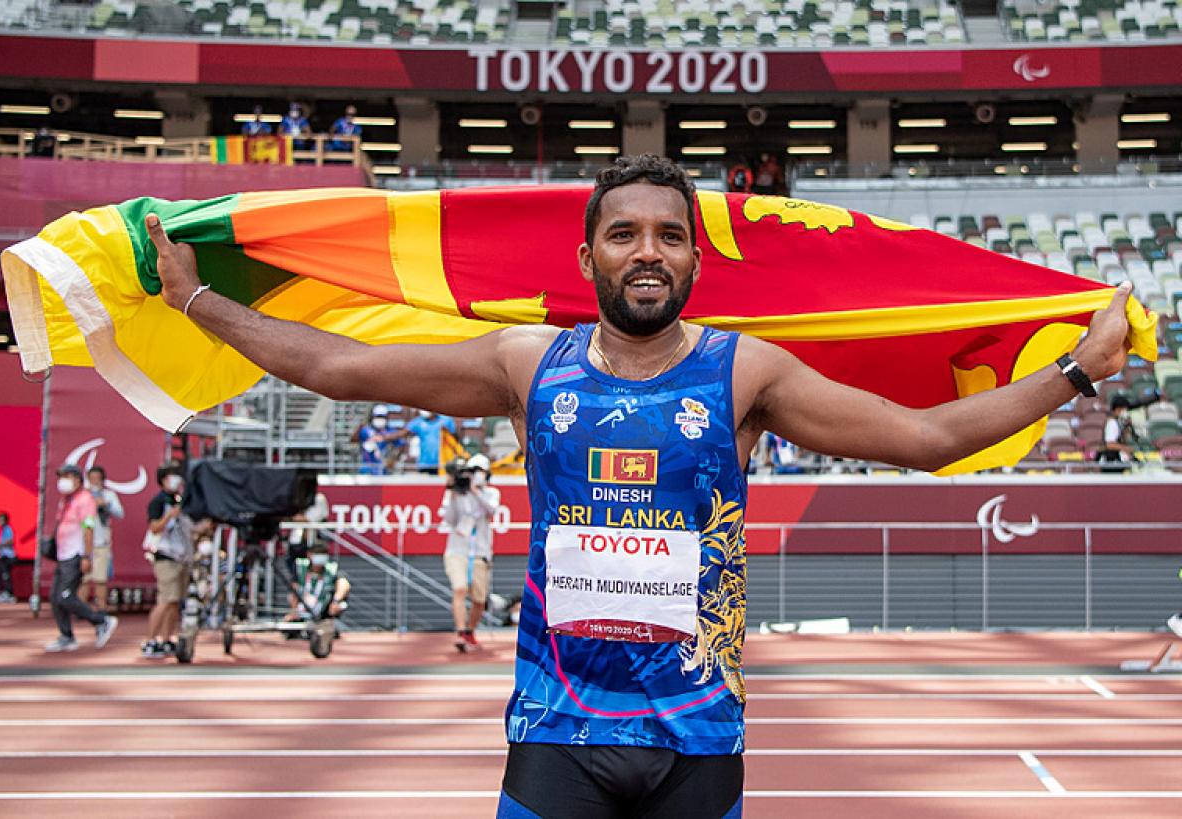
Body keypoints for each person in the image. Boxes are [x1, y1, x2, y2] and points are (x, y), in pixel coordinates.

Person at [145, 153, 1133, 818]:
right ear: (588, 257)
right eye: (625, 235)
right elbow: (340, 368)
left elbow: (924, 437)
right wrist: (195, 298)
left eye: (668, 234)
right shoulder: (530, 364)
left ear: (697, 258)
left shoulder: (749, 373)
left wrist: (1079, 370)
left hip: (699, 739)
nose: (647, 251)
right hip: (557, 729)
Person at [45, 464, 119, 652]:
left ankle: (101, 620)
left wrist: (86, 556)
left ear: (77, 479)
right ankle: (66, 636)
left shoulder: (85, 500)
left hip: (76, 555)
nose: (62, 480)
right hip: (63, 554)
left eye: (66, 476)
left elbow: (88, 528)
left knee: (66, 596)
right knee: (55, 597)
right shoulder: (67, 500)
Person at [440, 454, 501, 652]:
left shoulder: (491, 493)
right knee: (459, 588)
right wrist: (452, 494)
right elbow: (449, 519)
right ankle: (460, 632)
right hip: (457, 549)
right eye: (472, 471)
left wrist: (475, 491)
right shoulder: (457, 493)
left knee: (479, 599)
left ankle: (470, 630)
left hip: (480, 551)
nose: (474, 476)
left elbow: (491, 510)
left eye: (479, 472)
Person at [141, 462, 193, 658]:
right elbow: (154, 527)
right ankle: (150, 640)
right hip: (165, 557)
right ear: (164, 480)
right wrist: (169, 516)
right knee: (164, 600)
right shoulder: (159, 502)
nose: (177, 480)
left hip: (181, 557)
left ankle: (167, 638)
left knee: (174, 602)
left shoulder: (178, 500)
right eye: (173, 476)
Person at [81, 465, 124, 613]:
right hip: (83, 543)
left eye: (97, 479)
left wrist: (105, 505)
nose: (94, 482)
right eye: (92, 479)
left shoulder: (108, 496)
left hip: (101, 542)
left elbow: (120, 514)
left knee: (100, 578)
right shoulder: (82, 495)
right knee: (84, 579)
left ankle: (101, 609)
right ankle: (81, 610)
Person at [285, 542, 350, 626]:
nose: (321, 557)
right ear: (309, 555)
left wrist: (336, 601)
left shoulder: (331, 568)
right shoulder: (300, 567)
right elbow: (294, 587)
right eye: (318, 554)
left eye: (323, 554)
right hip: (302, 610)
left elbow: (344, 584)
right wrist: (293, 610)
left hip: (324, 612)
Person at [406, 410, 456, 475]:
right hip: (424, 464)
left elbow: (455, 438)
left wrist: (447, 431)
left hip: (443, 463)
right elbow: (404, 432)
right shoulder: (419, 421)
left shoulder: (446, 420)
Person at [359, 403, 405, 475]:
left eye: (382, 417)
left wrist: (393, 459)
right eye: (377, 417)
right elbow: (354, 439)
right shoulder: (366, 430)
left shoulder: (391, 431)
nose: (380, 419)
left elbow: (401, 445)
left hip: (383, 470)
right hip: (367, 469)